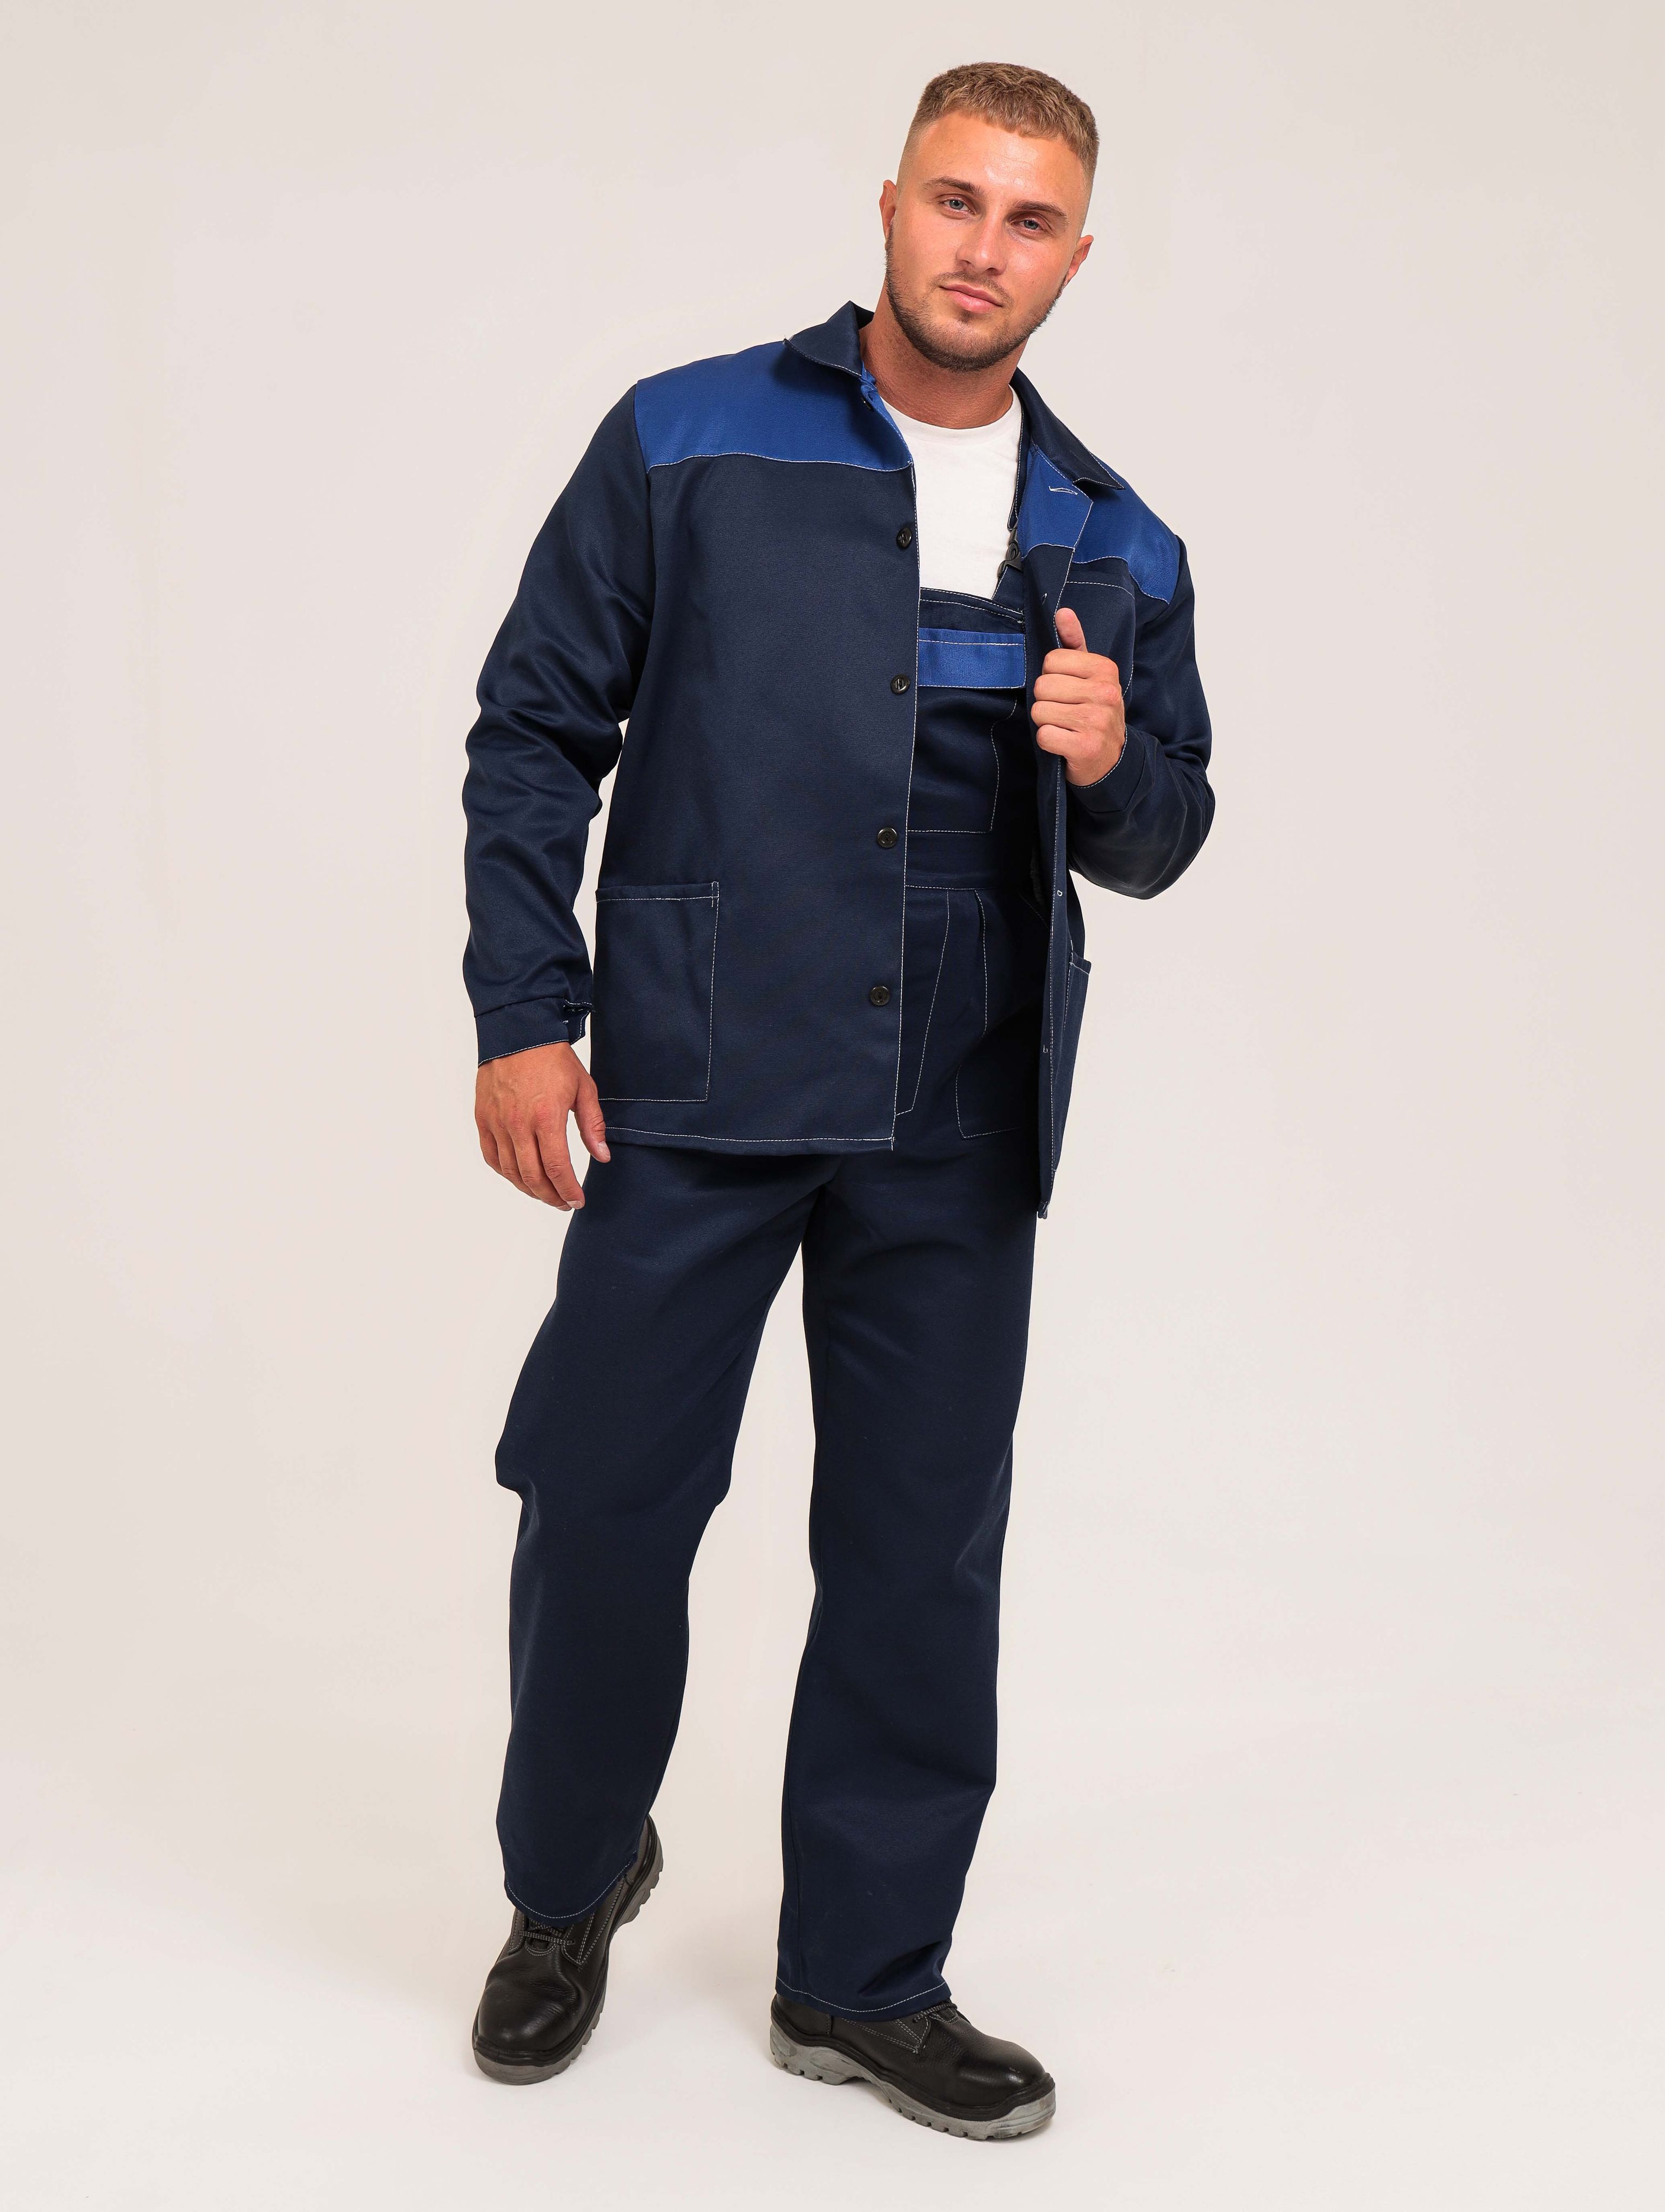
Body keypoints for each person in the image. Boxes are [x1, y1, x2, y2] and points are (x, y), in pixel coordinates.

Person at [459, 60, 1214, 2141]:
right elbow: (535, 726)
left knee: (915, 1551)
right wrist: (525, 1014)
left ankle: (865, 1977)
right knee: (603, 1498)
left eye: (1029, 220)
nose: (984, 248)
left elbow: (1164, 834)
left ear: (1074, 255)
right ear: (889, 206)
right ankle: (565, 1883)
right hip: (696, 1080)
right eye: (956, 201)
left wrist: (1108, 765)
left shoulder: (1113, 532)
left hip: (955, 1113)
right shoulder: (689, 436)